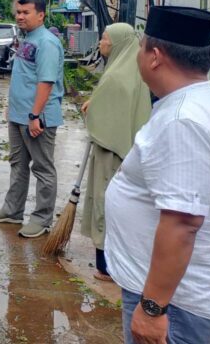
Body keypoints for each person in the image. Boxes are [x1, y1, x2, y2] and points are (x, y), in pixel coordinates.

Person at [105, 6, 210, 344]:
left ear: (155, 56)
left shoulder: (185, 120)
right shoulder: (206, 105)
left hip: (174, 303)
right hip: (184, 295)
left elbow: (183, 222)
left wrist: (152, 308)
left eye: (141, 47)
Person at [0, 0, 64, 238]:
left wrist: (34, 115)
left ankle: (41, 218)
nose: (20, 16)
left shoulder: (47, 42)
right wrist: (14, 109)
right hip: (18, 116)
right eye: (18, 12)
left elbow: (46, 82)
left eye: (26, 12)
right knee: (18, 164)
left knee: (42, 167)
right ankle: (12, 210)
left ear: (40, 15)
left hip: (37, 117)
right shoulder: (27, 39)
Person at [80, 24, 151, 282]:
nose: (101, 42)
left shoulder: (114, 78)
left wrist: (91, 110)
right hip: (129, 151)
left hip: (110, 152)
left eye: (105, 38)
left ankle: (106, 266)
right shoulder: (134, 72)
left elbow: (103, 118)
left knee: (103, 201)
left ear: (118, 43)